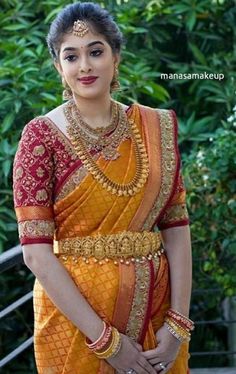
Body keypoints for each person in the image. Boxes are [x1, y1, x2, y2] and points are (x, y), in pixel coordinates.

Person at [13, 2, 193, 373]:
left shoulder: (154, 128)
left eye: (96, 52)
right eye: (71, 56)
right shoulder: (40, 137)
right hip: (77, 327)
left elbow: (176, 227)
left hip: (157, 316)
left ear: (116, 57)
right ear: (58, 67)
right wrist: (106, 342)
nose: (85, 66)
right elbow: (36, 254)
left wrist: (178, 325)